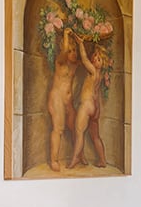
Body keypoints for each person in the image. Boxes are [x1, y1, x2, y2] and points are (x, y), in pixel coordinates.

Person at [68, 37, 109, 169]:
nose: (94, 58)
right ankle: (102, 160)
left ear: (102, 63)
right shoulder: (101, 74)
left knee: (79, 132)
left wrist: (80, 44)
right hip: (96, 108)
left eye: (98, 58)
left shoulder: (93, 70)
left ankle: (74, 159)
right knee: (95, 136)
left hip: (86, 105)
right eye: (95, 55)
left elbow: (85, 59)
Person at [46, 27, 78, 172]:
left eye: (74, 50)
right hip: (57, 98)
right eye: (70, 50)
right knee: (58, 129)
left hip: (68, 101)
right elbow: (64, 53)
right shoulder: (60, 61)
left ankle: (79, 154)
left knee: (75, 127)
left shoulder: (75, 65)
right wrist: (65, 35)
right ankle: (54, 160)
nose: (73, 53)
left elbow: (85, 58)